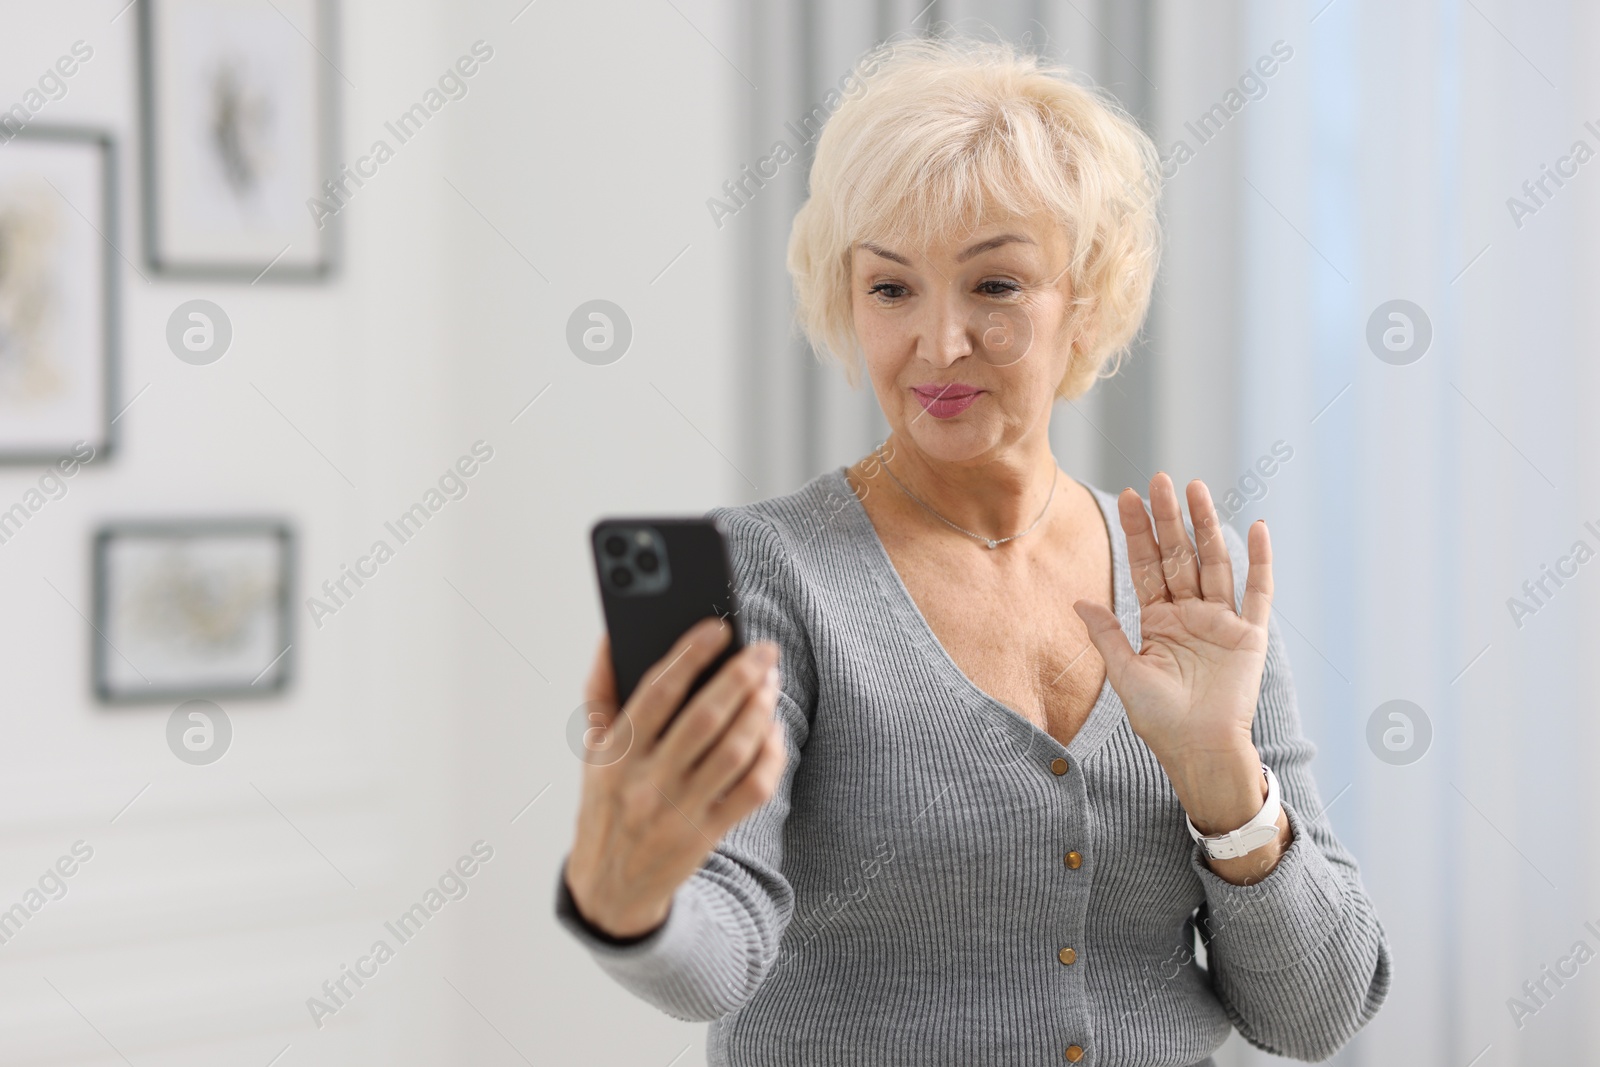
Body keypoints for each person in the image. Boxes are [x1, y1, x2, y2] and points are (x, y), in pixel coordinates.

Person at [554, 34, 1390, 1066]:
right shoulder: (768, 572)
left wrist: (1225, 777)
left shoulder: (1183, 579)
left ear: (1081, 301)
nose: (940, 342)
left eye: (995, 285)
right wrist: (629, 900)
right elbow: (717, 951)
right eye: (891, 289)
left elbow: (1317, 1012)